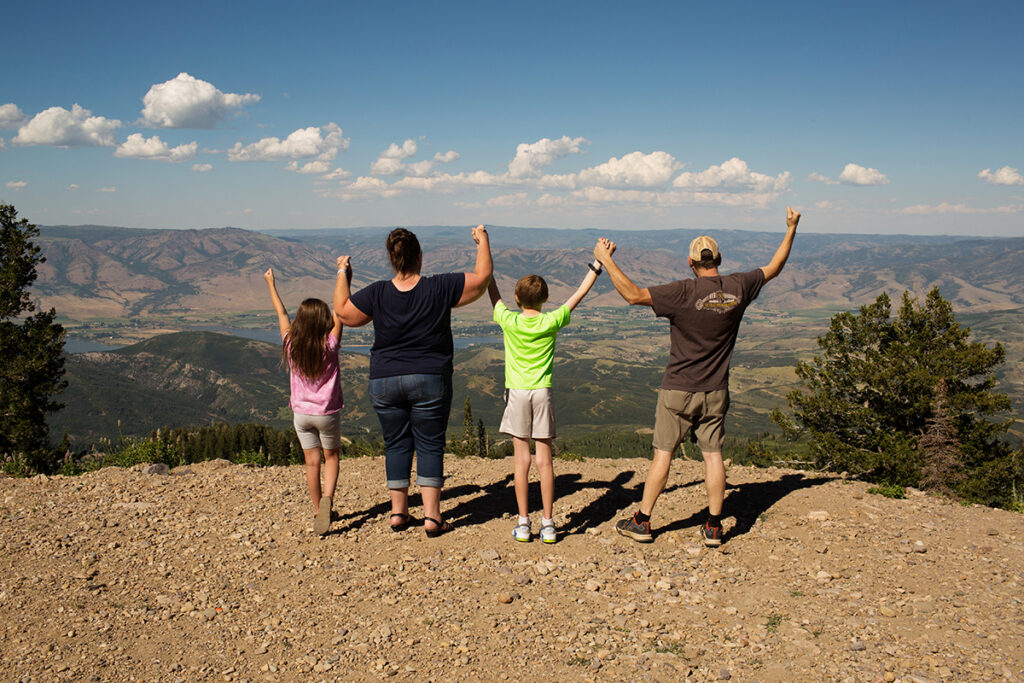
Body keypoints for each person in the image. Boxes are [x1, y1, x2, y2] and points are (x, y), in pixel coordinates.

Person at [595, 207, 801, 547]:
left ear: (691, 263)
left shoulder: (683, 292)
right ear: (719, 258)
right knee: (713, 456)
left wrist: (605, 259)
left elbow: (632, 295)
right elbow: (775, 267)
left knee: (664, 453)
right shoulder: (739, 286)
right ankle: (714, 527)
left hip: (677, 388)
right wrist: (791, 228)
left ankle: (643, 522)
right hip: (716, 390)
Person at [333, 226, 492, 536]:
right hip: (430, 377)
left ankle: (398, 513)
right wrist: (482, 240)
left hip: (385, 379)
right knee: (430, 444)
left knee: (396, 443)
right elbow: (482, 277)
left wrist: (343, 273)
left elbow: (343, 313)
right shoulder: (440, 287)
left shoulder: (377, 292)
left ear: (392, 260)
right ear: (420, 256)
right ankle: (432, 517)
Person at [488, 259, 603, 544]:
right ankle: (549, 524)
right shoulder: (551, 320)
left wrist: (487, 265)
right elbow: (578, 294)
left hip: (517, 391)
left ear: (517, 298)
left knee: (521, 461)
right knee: (545, 462)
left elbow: (493, 295)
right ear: (546, 299)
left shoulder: (509, 320)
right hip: (542, 391)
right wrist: (596, 266)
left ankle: (524, 522)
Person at [264, 265, 350, 536]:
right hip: (327, 413)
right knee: (332, 457)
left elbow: (281, 313)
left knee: (311, 463)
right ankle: (328, 500)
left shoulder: (290, 345)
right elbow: (341, 311)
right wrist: (344, 274)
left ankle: (317, 510)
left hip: (301, 415)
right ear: (323, 321)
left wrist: (271, 284)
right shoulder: (330, 346)